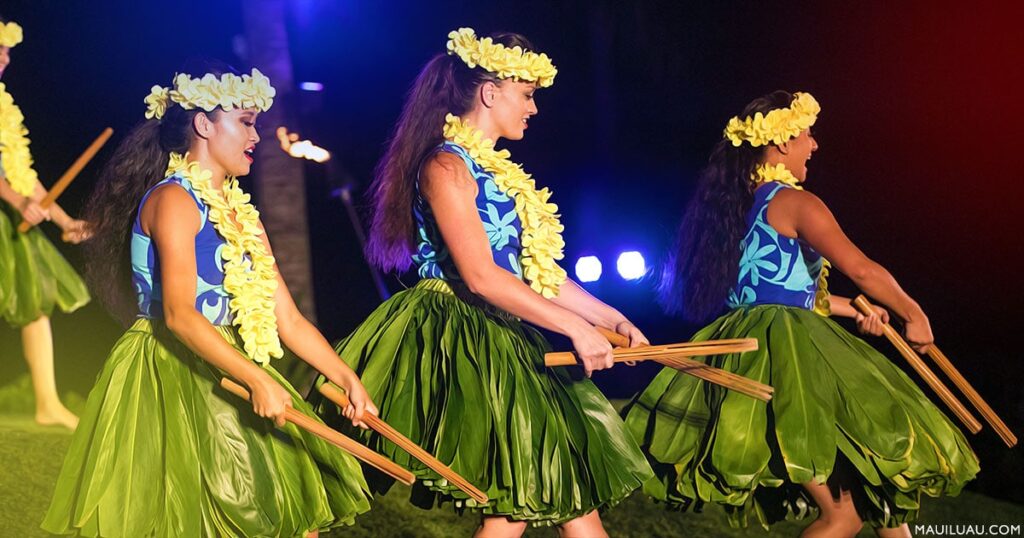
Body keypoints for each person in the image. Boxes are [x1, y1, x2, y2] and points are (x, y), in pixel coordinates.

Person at [309, 28, 653, 537]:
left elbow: (536, 273)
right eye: (528, 94)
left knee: (546, 498)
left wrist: (610, 319)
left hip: (500, 330)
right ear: (490, 92)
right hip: (459, 332)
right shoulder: (445, 166)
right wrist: (573, 329)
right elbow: (480, 275)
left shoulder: (499, 174)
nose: (534, 109)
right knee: (531, 496)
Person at [622, 90, 979, 537]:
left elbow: (783, 294)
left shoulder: (734, 207)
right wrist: (912, 311)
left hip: (755, 342)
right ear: (783, 142)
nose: (814, 145)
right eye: (808, 134)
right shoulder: (795, 202)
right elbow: (861, 270)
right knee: (843, 514)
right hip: (789, 356)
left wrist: (856, 313)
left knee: (882, 500)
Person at [42, 63, 376, 537]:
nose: (256, 136)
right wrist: (255, 377)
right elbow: (179, 315)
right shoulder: (172, 201)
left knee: (293, 518)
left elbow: (288, 318)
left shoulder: (244, 216)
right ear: (203, 123)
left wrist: (344, 377)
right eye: (245, 121)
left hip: (231, 359)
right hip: (173, 367)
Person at [0, 16, 89, 430]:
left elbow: (21, 174)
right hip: (6, 212)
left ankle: (47, 402)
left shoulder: (3, 106)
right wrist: (18, 202)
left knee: (34, 304)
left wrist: (63, 219)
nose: (4, 60)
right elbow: (15, 189)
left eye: (7, 53)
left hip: (7, 217)